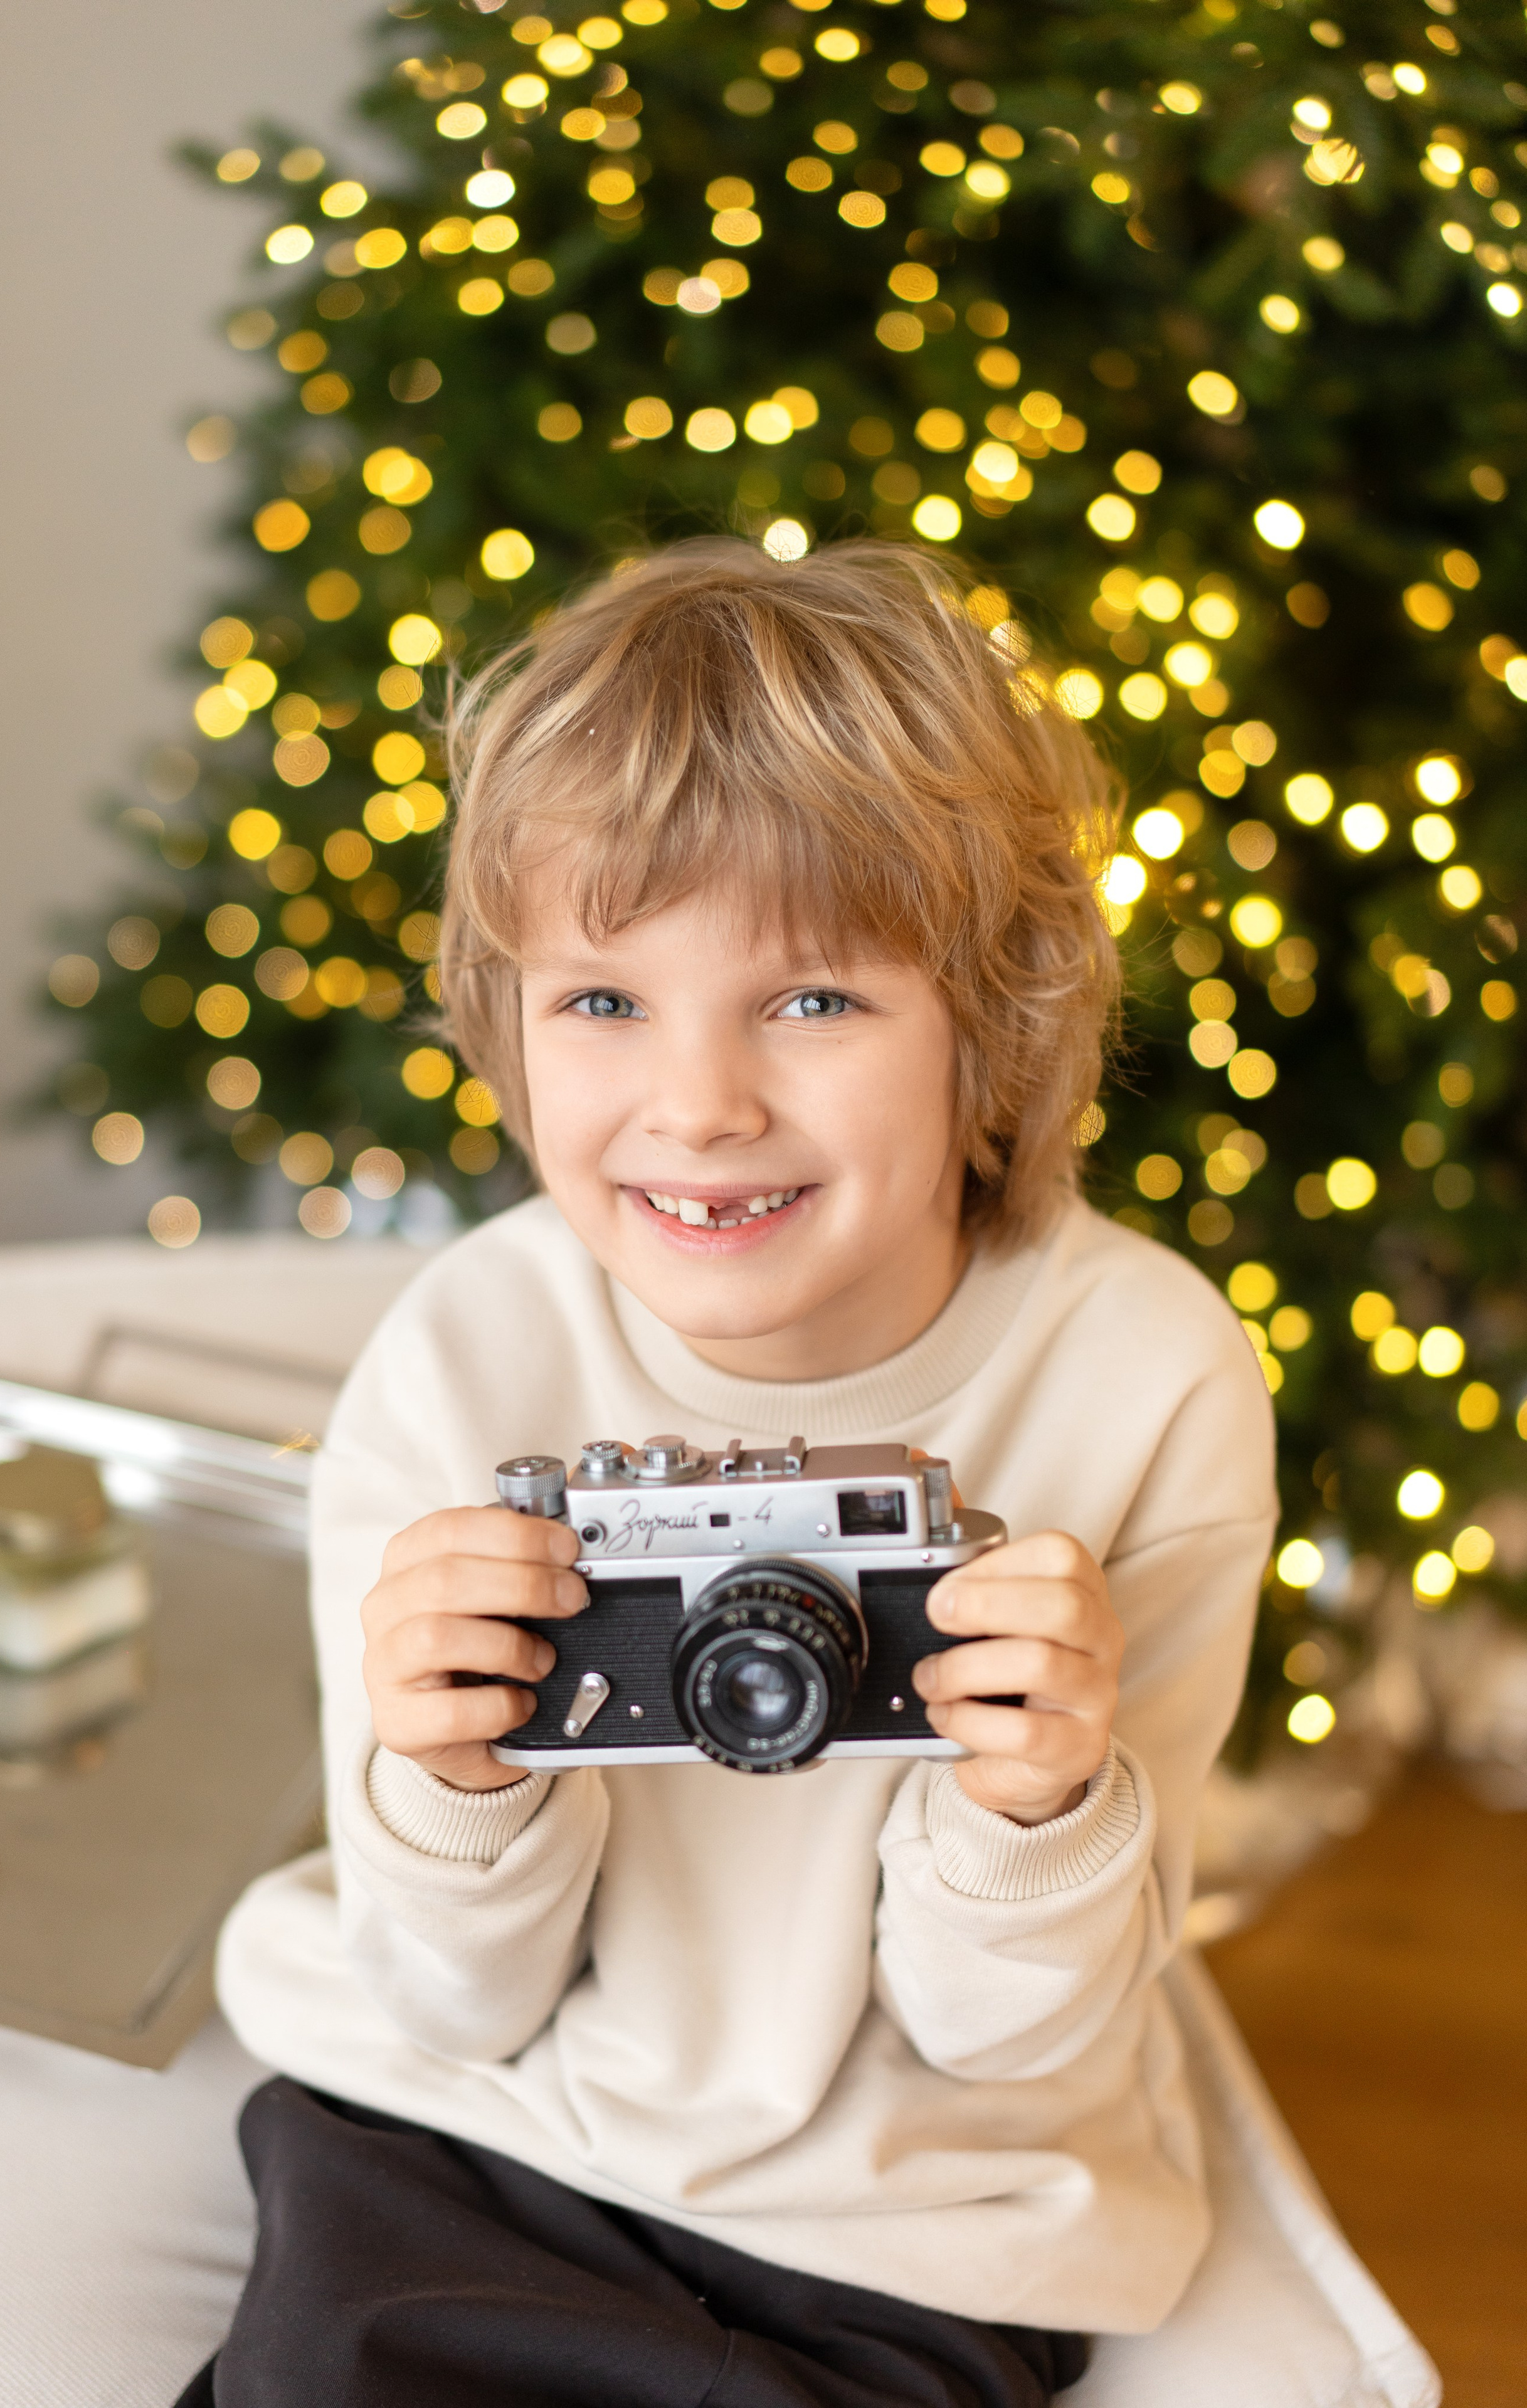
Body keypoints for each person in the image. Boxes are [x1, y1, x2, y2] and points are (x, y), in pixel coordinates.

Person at [189, 539, 1277, 2407]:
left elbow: (1008, 2049)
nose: (699, 1104)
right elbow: (454, 2000)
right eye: (603, 1002)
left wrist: (1029, 1817)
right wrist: (453, 1778)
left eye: (814, 1002)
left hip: (921, 2208)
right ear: (509, 1024)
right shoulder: (465, 1361)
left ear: (990, 1021)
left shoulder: (1146, 1377)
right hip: (475, 2126)